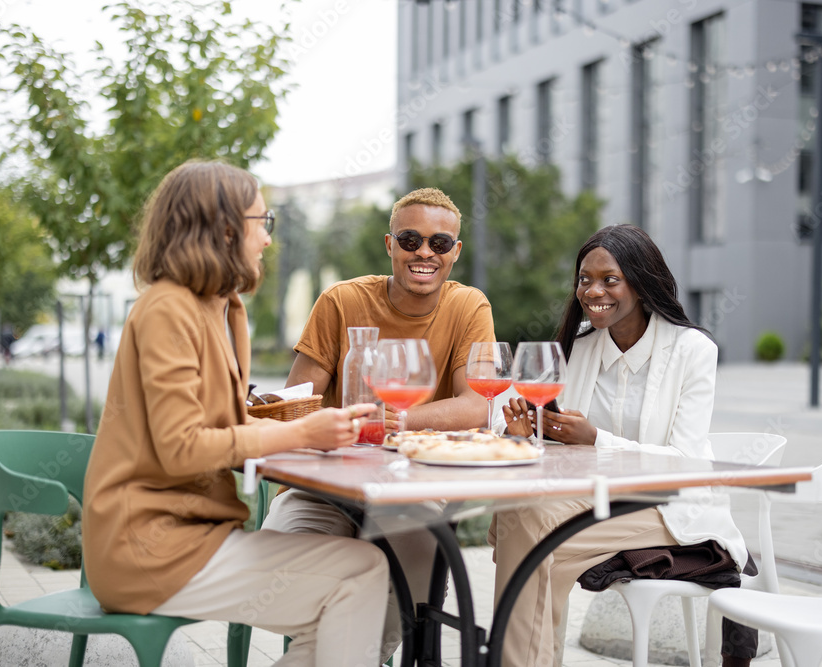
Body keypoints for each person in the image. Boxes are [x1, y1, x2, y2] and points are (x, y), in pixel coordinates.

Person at [82, 160, 389, 666]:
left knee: (355, 586)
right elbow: (182, 447)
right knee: (362, 574)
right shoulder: (167, 309)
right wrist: (300, 433)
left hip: (192, 537)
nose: (268, 239)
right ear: (225, 229)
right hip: (149, 550)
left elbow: (223, 424)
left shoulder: (221, 307)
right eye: (261, 223)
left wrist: (309, 433)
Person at [491, 224, 752, 667]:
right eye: (584, 279)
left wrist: (596, 439)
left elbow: (688, 462)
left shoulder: (693, 351)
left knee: (530, 536)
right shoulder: (579, 349)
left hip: (669, 507)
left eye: (609, 279)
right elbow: (566, 452)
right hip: (592, 501)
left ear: (641, 280)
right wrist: (527, 438)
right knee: (522, 518)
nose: (593, 291)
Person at [261, 186, 495, 661]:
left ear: (455, 253)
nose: (424, 252)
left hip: (414, 490)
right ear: (390, 245)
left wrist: (397, 421)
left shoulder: (469, 306)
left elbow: (477, 406)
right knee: (281, 574)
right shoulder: (341, 302)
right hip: (324, 484)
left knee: (406, 602)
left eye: (439, 243)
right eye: (410, 240)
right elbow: (297, 402)